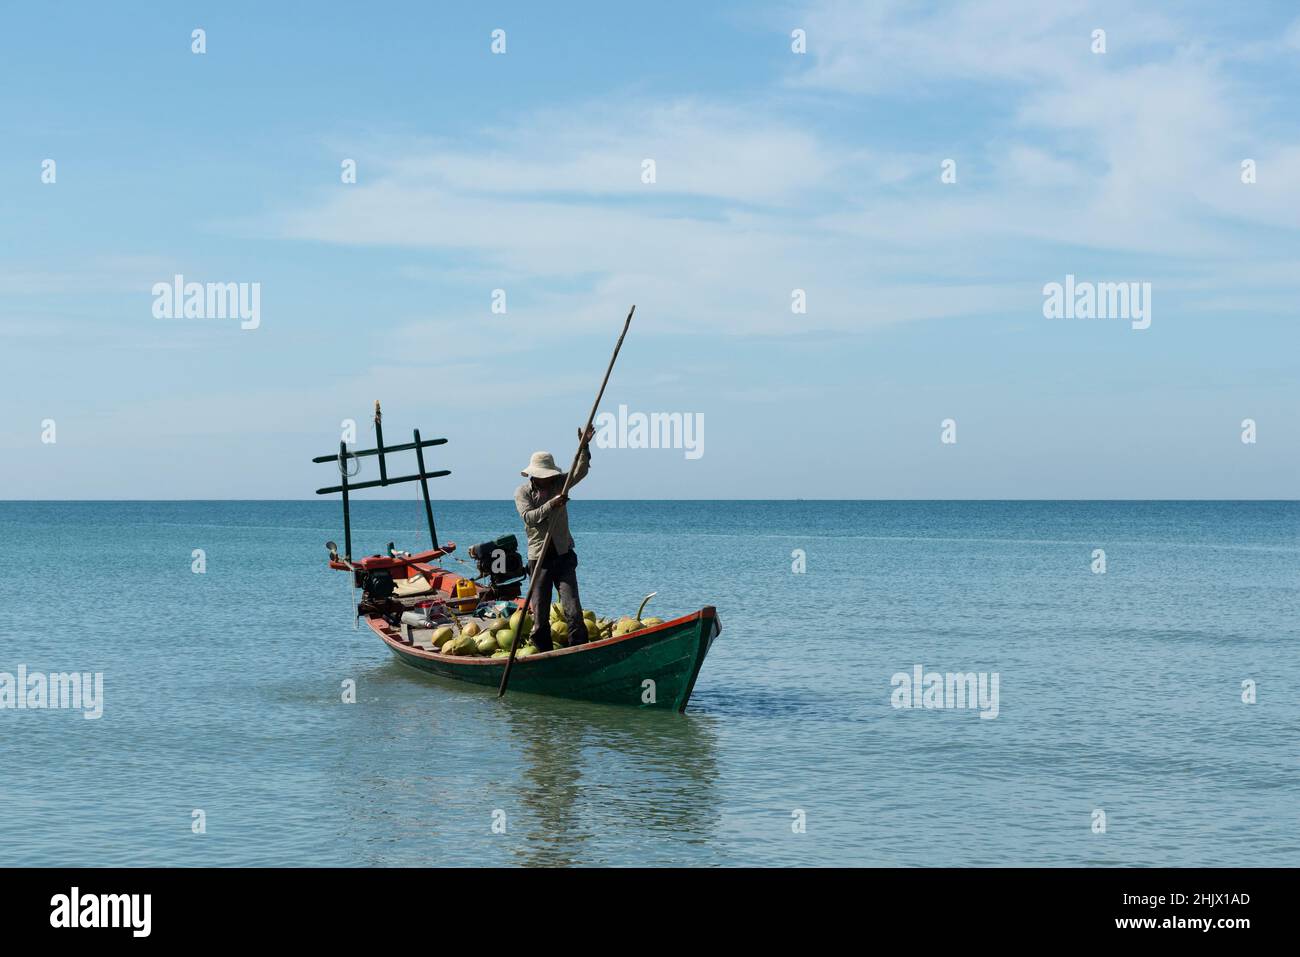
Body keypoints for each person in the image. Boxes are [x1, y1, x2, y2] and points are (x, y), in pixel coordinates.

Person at [514, 426, 595, 651]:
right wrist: (552, 505)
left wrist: (584, 446)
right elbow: (529, 518)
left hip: (563, 554)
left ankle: (577, 649)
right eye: (542, 477)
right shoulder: (522, 493)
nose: (546, 480)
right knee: (540, 615)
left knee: (573, 610)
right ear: (533, 475)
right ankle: (543, 652)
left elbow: (580, 471)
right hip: (539, 559)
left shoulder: (560, 483)